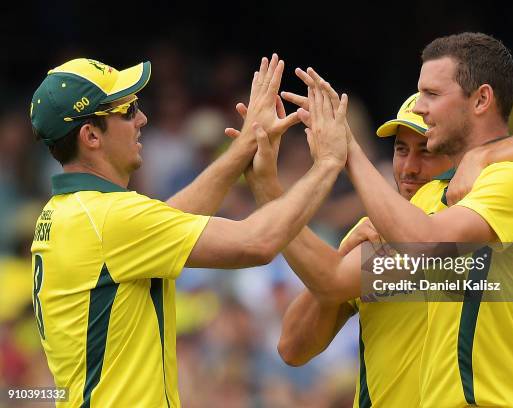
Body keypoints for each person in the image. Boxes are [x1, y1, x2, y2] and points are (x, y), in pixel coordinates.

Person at [226, 72, 513, 408]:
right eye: (401, 150)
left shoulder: (474, 215)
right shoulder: (382, 229)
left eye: (426, 149)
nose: (409, 167)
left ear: (456, 152)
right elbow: (292, 347)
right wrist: (341, 253)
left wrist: (272, 191)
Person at [29, 54, 349, 407]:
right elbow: (262, 248)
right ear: (90, 135)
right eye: (128, 109)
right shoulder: (108, 217)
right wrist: (330, 162)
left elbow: (167, 220)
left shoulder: (68, 211)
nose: (142, 118)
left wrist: (245, 148)